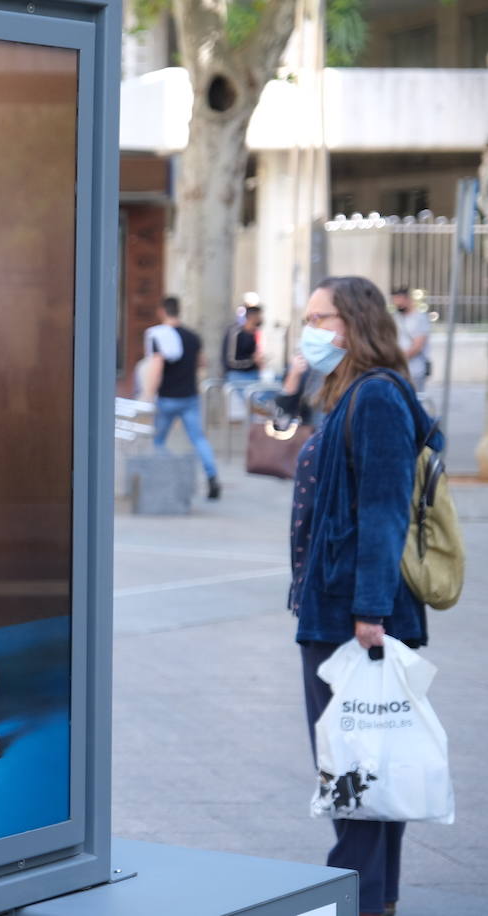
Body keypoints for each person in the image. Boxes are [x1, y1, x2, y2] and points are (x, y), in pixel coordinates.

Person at [289, 276, 439, 916]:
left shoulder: (375, 397)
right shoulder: (348, 393)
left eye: (320, 317)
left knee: (355, 766)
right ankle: (374, 898)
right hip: (339, 607)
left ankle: (354, 893)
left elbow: (382, 512)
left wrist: (370, 613)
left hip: (355, 617)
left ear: (354, 323)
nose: (309, 327)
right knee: (367, 764)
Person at [142, 297, 221, 500]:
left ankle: (169, 474)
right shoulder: (193, 337)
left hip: (167, 397)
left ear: (162, 311)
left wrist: (147, 394)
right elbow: (201, 362)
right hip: (189, 396)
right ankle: (212, 476)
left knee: (158, 441)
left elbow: (156, 366)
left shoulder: (159, 335)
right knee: (198, 438)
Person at [389, 286, 430, 392]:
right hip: (399, 369)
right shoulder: (396, 317)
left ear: (408, 299)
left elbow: (418, 346)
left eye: (400, 300)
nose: (397, 304)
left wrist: (398, 359)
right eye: (395, 301)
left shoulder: (419, 318)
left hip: (415, 369)